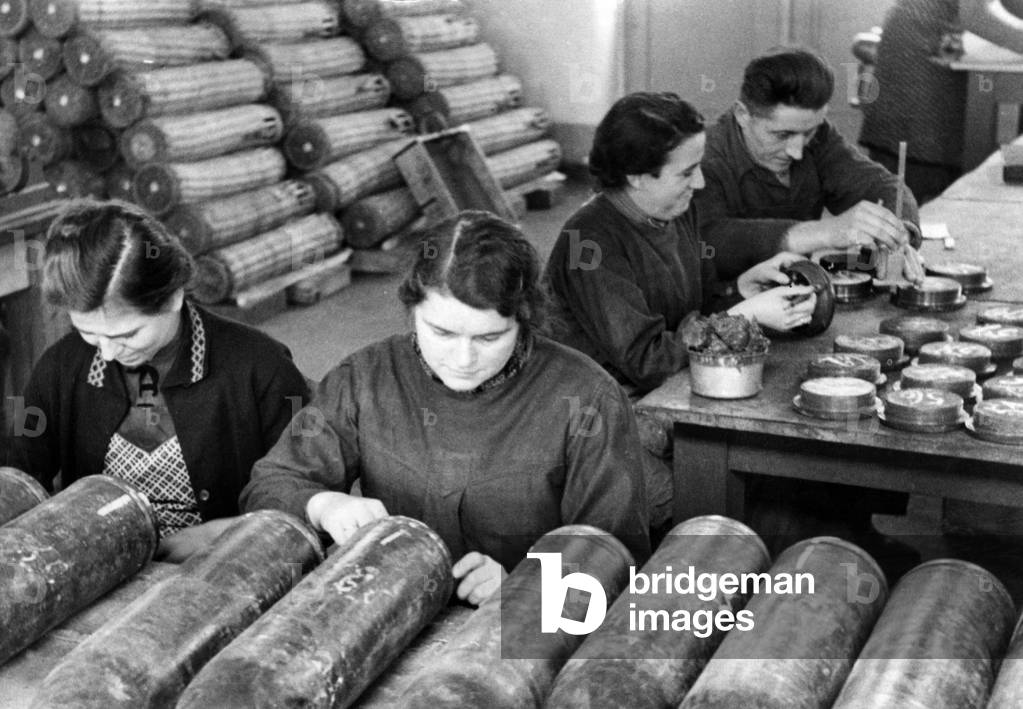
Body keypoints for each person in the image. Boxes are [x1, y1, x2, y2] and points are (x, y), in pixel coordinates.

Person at [240, 210, 651, 606]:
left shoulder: (587, 398)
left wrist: (527, 588)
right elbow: (268, 486)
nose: (463, 358)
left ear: (525, 319)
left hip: (524, 637)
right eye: (441, 332)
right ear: (411, 308)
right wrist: (324, 504)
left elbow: (616, 556)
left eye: (489, 338)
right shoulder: (364, 377)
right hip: (388, 614)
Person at [544, 91, 817, 529]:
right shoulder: (588, 243)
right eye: (687, 172)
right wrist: (744, 314)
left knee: (779, 453)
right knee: (700, 503)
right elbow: (648, 361)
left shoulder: (674, 209)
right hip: (598, 418)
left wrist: (741, 289)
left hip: (668, 392)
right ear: (636, 176)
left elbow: (697, 309)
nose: (701, 184)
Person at [6, 199, 310, 561]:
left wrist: (224, 532)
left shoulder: (259, 367)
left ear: (173, 297)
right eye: (87, 332)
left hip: (232, 566)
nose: (105, 353)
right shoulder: (61, 367)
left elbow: (305, 489)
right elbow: (20, 467)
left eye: (128, 334)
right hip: (99, 570)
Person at [696, 47, 922, 281]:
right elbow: (707, 241)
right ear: (743, 114)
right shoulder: (703, 158)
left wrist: (897, 232)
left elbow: (882, 185)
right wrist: (822, 232)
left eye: (809, 133)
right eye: (782, 135)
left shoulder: (818, 137)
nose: (796, 152)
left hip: (800, 290)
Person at [859, 0, 1023, 203]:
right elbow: (975, 15)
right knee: (916, 153)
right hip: (920, 41)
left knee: (928, 155)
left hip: (933, 38)